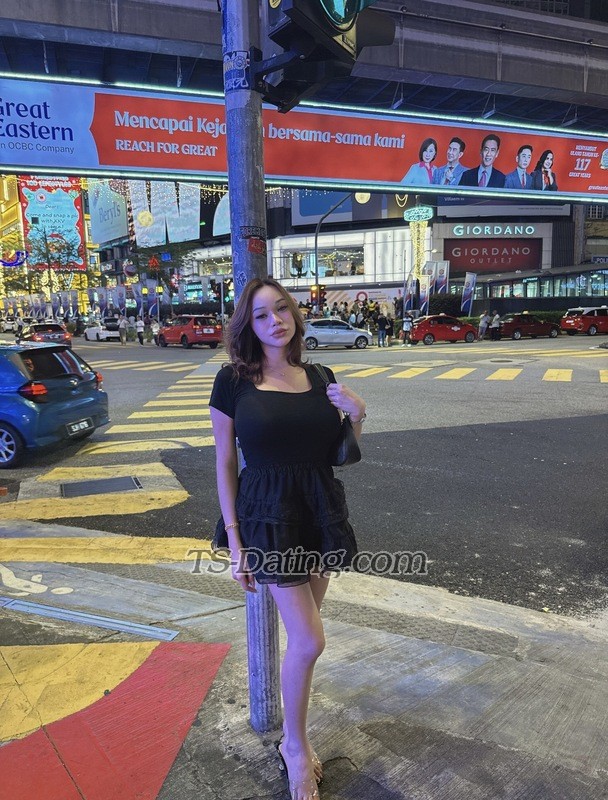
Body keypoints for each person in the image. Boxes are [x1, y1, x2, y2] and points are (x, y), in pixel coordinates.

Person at [209, 277, 365, 800]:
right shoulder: (233, 381)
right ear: (247, 325)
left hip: (317, 512)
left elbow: (339, 453)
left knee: (304, 639)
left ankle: (294, 738)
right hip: (268, 519)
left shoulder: (320, 376)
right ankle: (295, 747)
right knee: (310, 640)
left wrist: (357, 415)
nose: (275, 320)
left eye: (281, 309)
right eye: (261, 314)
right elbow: (225, 462)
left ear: (294, 315)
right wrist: (236, 544)